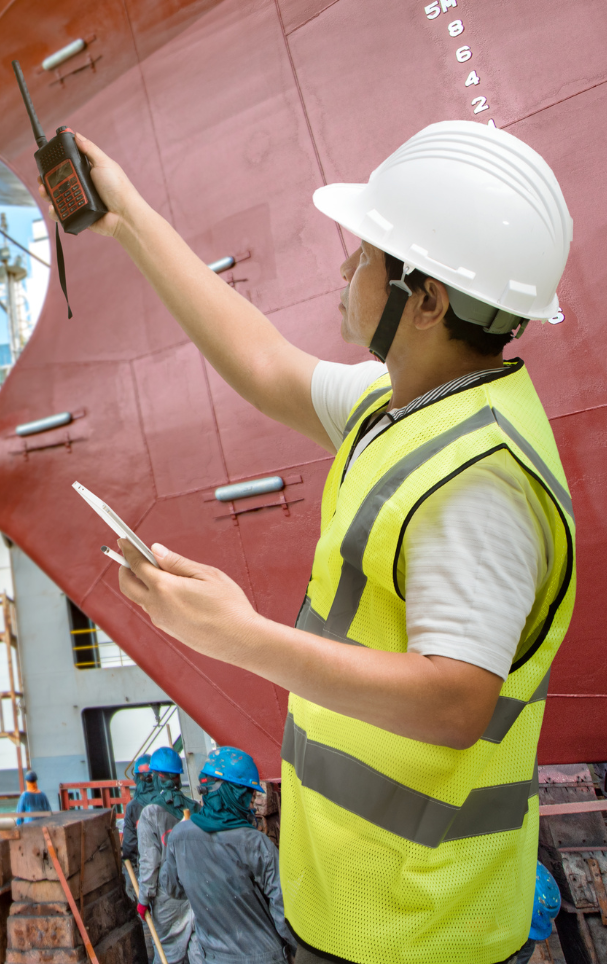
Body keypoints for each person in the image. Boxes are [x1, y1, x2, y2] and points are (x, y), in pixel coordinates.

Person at [67, 120, 575, 964]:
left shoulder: (480, 477)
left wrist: (239, 638)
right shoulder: (404, 403)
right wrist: (126, 217)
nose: (346, 268)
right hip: (352, 907)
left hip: (420, 933)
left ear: (429, 300)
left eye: (368, 253)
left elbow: (457, 703)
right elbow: (262, 362)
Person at [164, 747, 294, 964]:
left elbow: (173, 889)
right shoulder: (255, 844)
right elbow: (283, 914)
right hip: (263, 956)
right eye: (247, 795)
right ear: (231, 793)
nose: (250, 803)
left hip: (213, 957)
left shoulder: (179, 836)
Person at [136, 746, 196, 962]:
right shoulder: (195, 809)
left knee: (167, 956)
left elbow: (149, 863)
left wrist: (144, 898)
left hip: (167, 897)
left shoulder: (150, 814)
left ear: (155, 776)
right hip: (197, 892)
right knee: (197, 953)